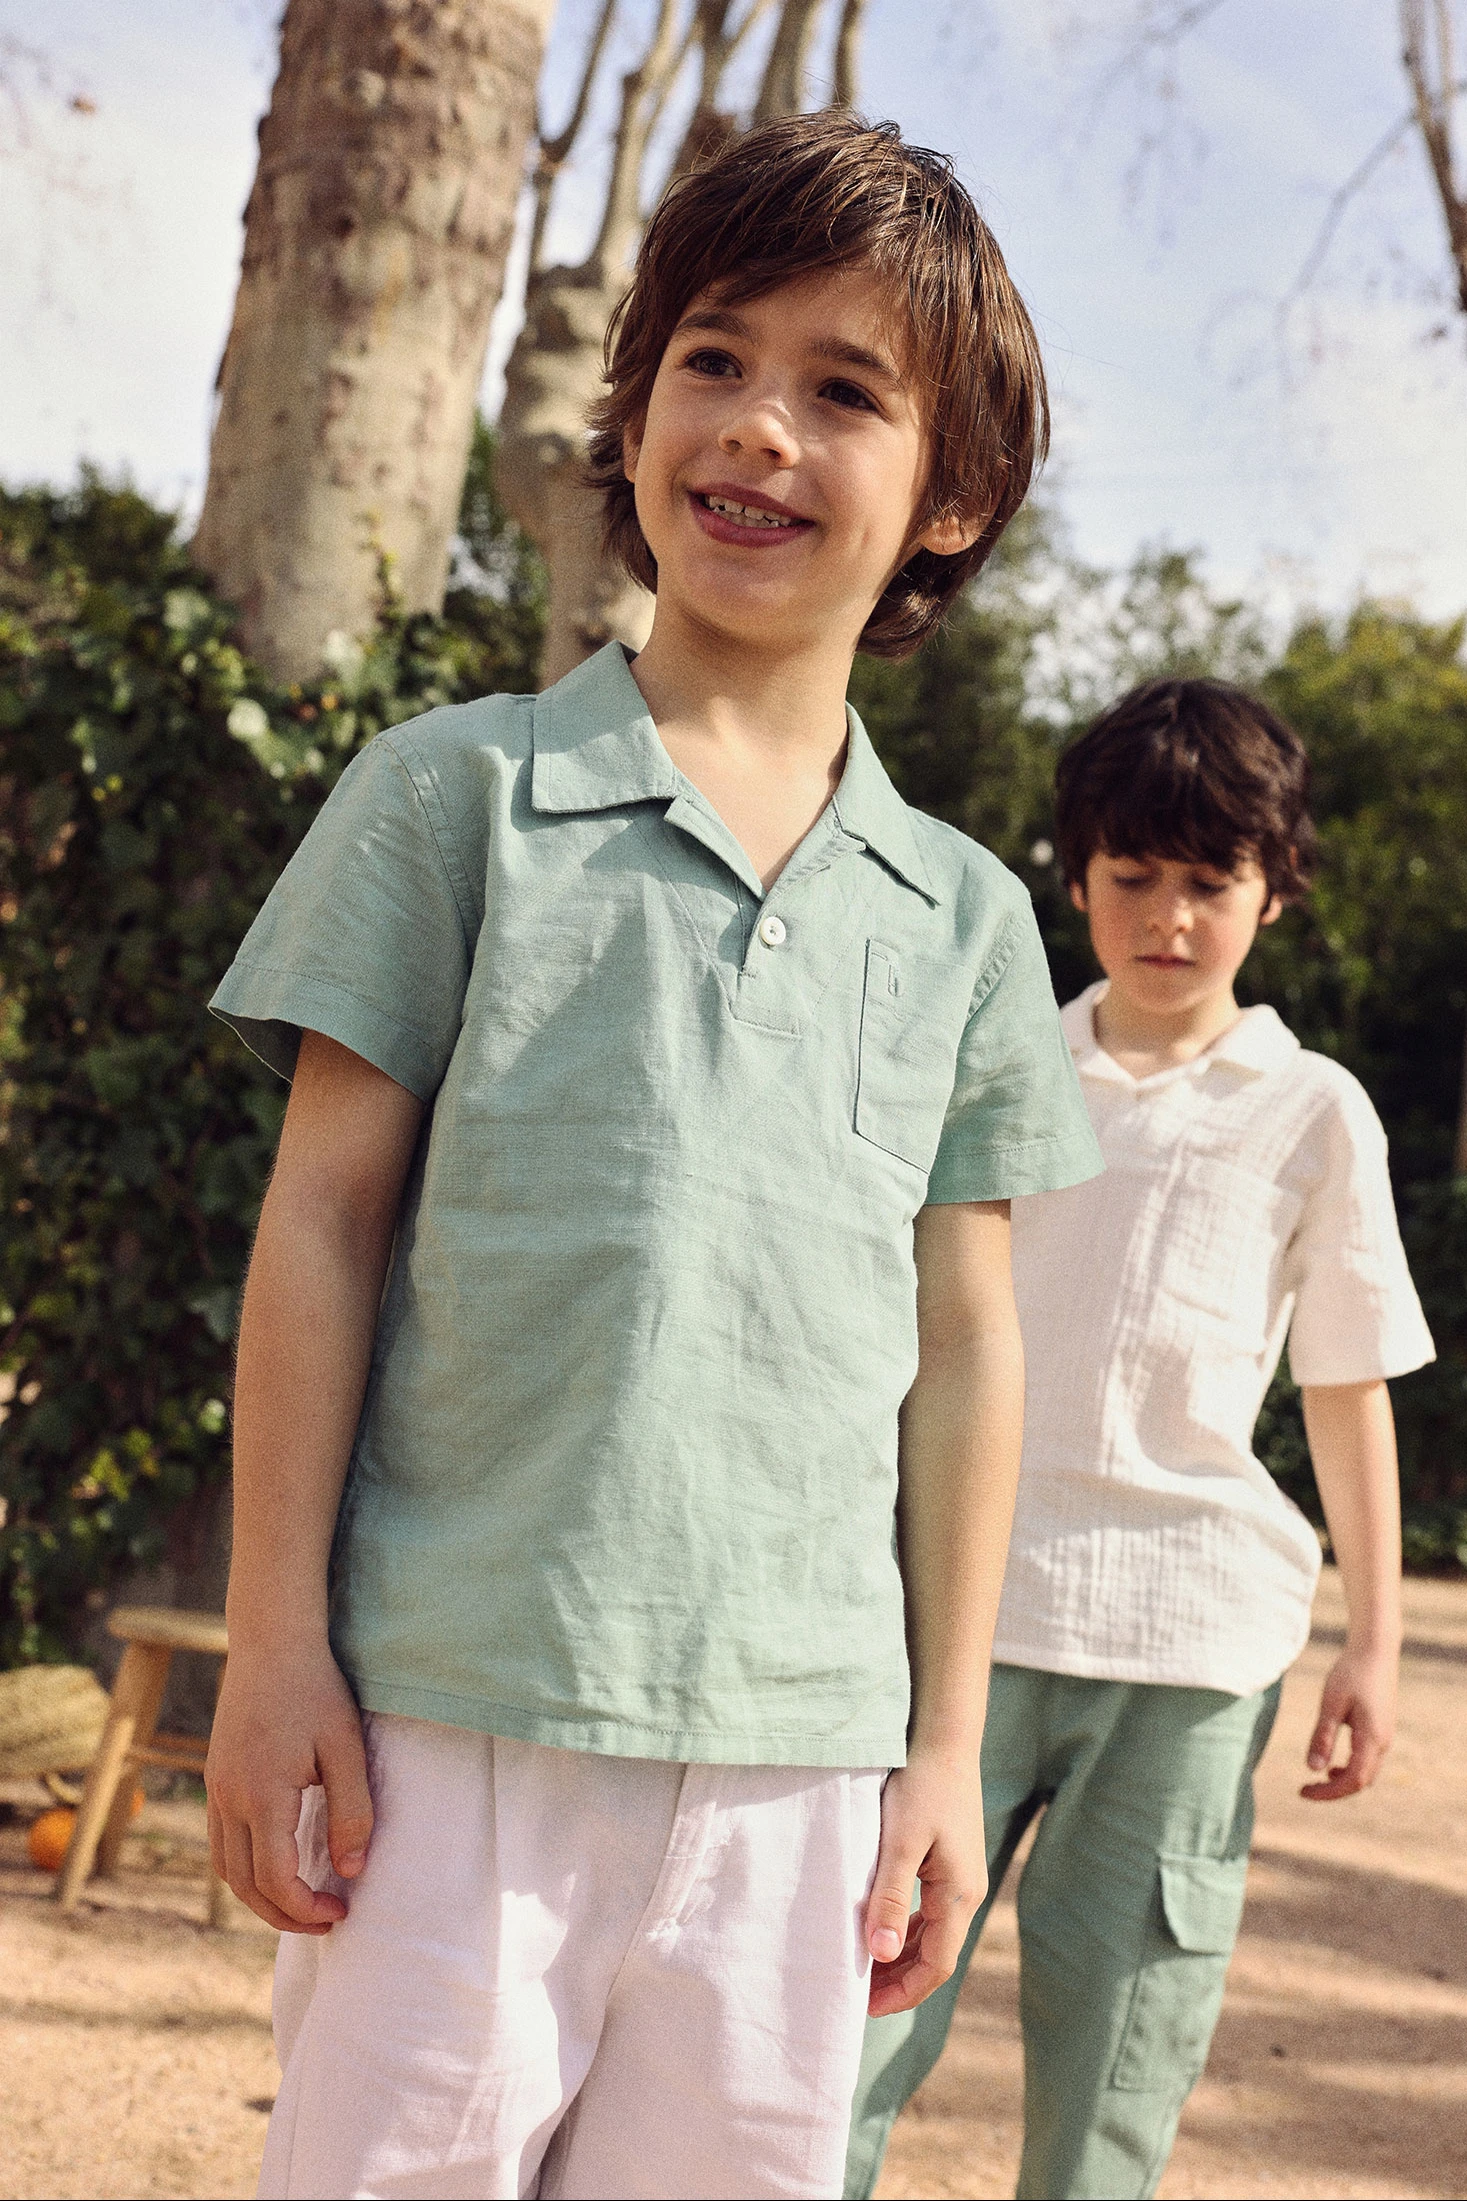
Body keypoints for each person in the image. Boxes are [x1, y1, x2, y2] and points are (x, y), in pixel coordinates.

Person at [203, 111, 1102, 2201]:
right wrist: (272, 1641)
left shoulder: (968, 919)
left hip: (803, 1756)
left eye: (844, 389)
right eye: (713, 358)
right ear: (629, 410)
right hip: (449, 1712)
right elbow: (320, 1222)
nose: (758, 427)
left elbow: (967, 1343)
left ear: (951, 495)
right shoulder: (451, 800)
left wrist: (941, 1743)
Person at [845, 676, 1436, 2201]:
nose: (1167, 918)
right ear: (1075, 877)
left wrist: (1373, 1644)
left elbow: (1346, 1382)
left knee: (1116, 2064)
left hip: (1188, 1647)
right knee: (841, 2032)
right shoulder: (991, 1064)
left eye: (1207, 883)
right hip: (957, 1622)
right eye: (1132, 876)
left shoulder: (1313, 1110)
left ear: (1272, 891)